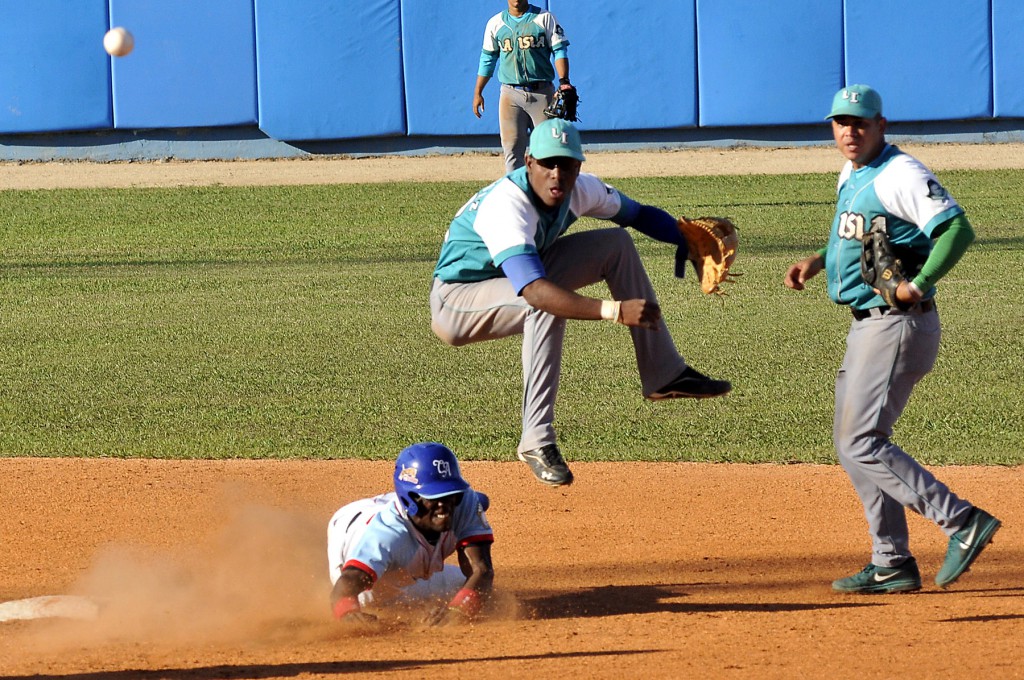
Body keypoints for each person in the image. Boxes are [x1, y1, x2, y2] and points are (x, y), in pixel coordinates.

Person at [430, 118, 731, 488]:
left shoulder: (580, 190)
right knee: (544, 303)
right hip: (458, 299)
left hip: (519, 276)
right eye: (547, 163)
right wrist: (614, 310)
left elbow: (637, 215)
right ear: (529, 163)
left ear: (579, 167)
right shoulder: (508, 206)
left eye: (567, 164)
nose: (557, 173)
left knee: (615, 245)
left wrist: (682, 239)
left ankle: (664, 374)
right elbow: (536, 291)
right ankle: (536, 440)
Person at [784, 84, 1001, 593]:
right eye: (841, 122)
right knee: (852, 442)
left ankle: (961, 521)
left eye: (860, 122)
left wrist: (919, 283)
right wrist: (819, 260)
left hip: (897, 323)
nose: (850, 131)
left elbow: (957, 230)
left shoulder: (901, 173)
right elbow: (858, 231)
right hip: (870, 324)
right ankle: (891, 562)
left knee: (862, 440)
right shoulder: (853, 170)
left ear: (882, 125)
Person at [327, 442, 494, 626]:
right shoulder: (385, 536)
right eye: (434, 497)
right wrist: (347, 612)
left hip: (395, 516)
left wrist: (458, 610)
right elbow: (343, 590)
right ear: (411, 498)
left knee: (482, 593)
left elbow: (482, 571)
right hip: (349, 528)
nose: (445, 505)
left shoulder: (465, 502)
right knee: (373, 603)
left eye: (450, 493)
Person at [473, 0, 575, 173]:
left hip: (542, 93)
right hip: (510, 94)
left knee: (547, 149)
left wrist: (564, 81)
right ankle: (517, 195)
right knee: (512, 149)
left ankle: (546, 196)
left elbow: (559, 50)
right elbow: (488, 59)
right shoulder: (495, 23)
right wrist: (478, 92)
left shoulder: (544, 18)